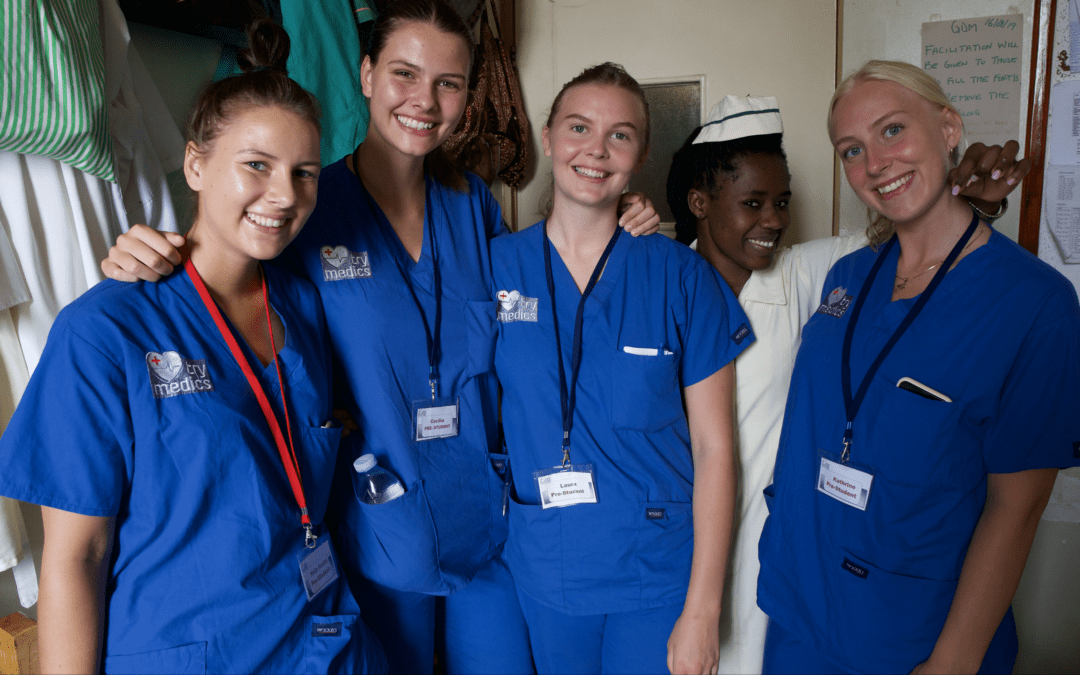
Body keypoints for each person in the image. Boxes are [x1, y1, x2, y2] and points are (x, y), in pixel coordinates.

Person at [99, 2, 659, 672]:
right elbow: (228, 284)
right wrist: (151, 253)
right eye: (404, 73)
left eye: (449, 83)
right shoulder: (306, 205)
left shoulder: (472, 204)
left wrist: (614, 217)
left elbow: (539, 302)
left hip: (484, 524)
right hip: (377, 532)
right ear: (366, 75)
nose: (425, 100)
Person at [0, 20, 385, 674]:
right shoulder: (106, 330)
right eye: (256, 165)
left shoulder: (301, 306)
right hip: (193, 652)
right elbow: (76, 558)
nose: (284, 195)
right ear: (195, 164)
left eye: (304, 173)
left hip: (321, 639)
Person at [664, 95, 1026, 675]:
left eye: (782, 202)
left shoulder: (810, 273)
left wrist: (967, 199)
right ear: (699, 203)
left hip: (779, 545)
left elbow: (916, 244)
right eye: (753, 203)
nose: (774, 220)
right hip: (675, 542)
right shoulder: (660, 278)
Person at [755, 60, 1080, 674]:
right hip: (801, 608)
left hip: (913, 631)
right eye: (852, 150)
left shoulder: (1034, 304)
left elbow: (1017, 508)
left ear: (948, 128)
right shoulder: (848, 277)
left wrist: (952, 662)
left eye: (892, 130)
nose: (875, 163)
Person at [490, 62, 747, 675]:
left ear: (641, 154)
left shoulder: (682, 278)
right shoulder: (496, 266)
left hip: (654, 570)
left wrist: (704, 608)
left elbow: (715, 449)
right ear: (547, 136)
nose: (596, 150)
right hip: (546, 562)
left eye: (620, 135)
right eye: (579, 127)